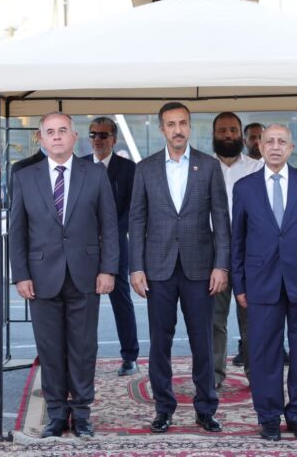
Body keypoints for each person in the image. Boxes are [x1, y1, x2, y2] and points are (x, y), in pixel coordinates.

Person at [9, 112, 118, 439]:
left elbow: (109, 226)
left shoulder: (95, 174)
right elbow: (17, 232)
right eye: (50, 132)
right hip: (41, 278)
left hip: (86, 275)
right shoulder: (24, 177)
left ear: (74, 137)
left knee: (83, 348)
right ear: (41, 138)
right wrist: (20, 275)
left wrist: (108, 269)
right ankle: (56, 413)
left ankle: (82, 413)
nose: (56, 136)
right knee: (50, 349)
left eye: (62, 131)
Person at [129, 102, 230, 434]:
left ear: (190, 126)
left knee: (203, 342)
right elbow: (137, 220)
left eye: (182, 123)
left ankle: (206, 408)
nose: (177, 129)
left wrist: (221, 265)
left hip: (200, 269)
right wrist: (135, 267)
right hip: (157, 269)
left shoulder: (209, 166)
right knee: (160, 342)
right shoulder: (145, 169)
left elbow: (221, 220)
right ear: (162, 129)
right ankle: (163, 408)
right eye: (171, 124)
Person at [231, 124, 297, 441]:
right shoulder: (244, 187)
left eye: (282, 142)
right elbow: (238, 239)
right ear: (260, 147)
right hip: (261, 281)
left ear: (291, 148)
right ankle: (268, 417)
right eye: (269, 142)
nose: (275, 147)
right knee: (264, 352)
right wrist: (239, 284)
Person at [82, 117, 140, 376]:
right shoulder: (80, 165)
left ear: (114, 139)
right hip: (83, 246)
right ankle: (81, 357)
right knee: (82, 302)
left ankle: (130, 356)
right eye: (93, 134)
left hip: (116, 244)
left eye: (103, 135)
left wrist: (111, 233)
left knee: (121, 298)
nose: (97, 139)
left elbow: (133, 208)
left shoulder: (128, 169)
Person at [209, 112, 262, 389]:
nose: (228, 135)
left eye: (232, 130)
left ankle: (257, 376)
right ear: (213, 135)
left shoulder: (257, 168)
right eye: (222, 130)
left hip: (250, 254)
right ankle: (213, 376)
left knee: (252, 320)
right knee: (213, 321)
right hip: (212, 254)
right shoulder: (203, 168)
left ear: (241, 134)